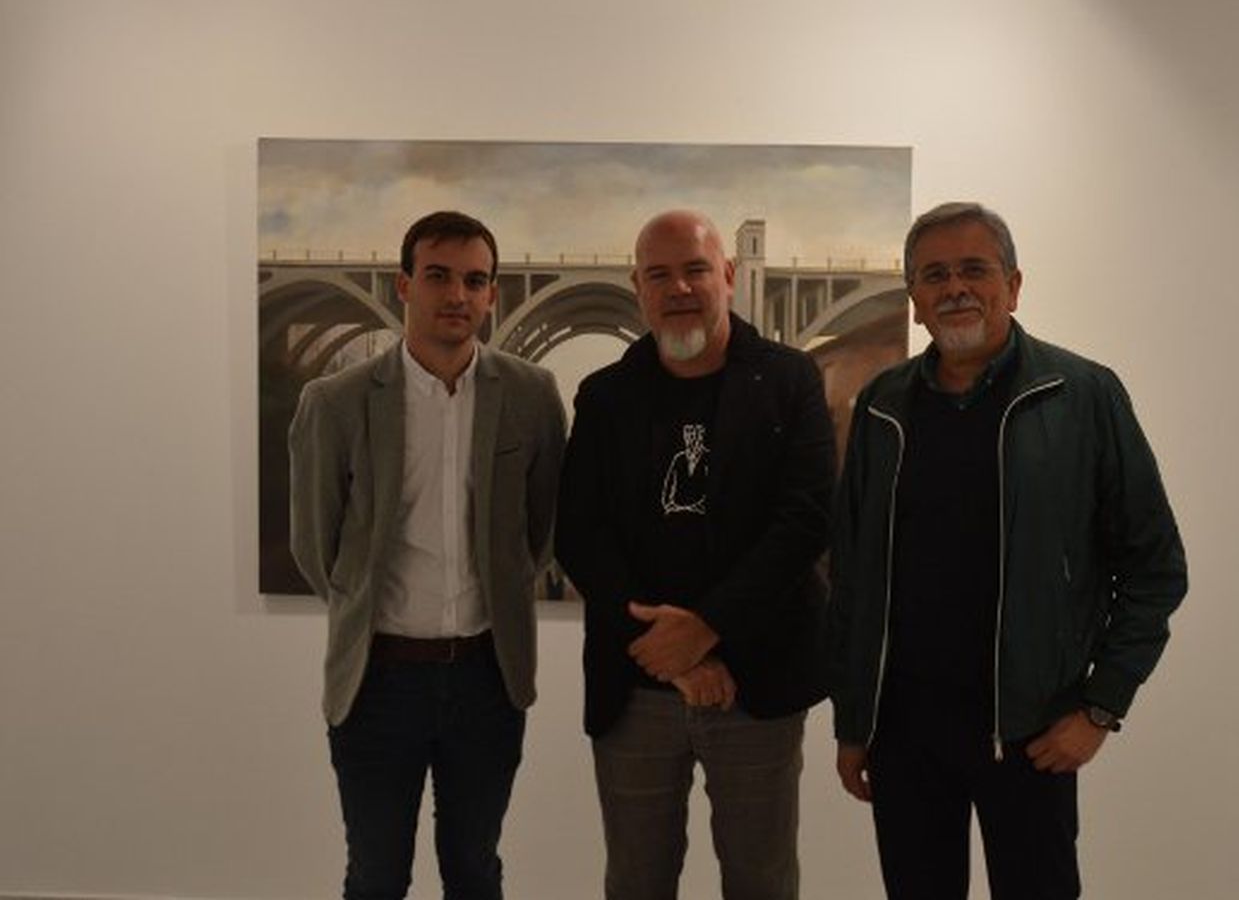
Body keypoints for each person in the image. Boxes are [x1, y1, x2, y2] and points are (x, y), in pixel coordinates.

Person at [827, 202, 1188, 899]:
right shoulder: (881, 406)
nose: (955, 288)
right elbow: (851, 575)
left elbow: (1156, 567)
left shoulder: (1082, 395)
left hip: (1032, 731)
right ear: (914, 300)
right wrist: (853, 720)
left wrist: (1101, 706)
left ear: (1013, 286)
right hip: (903, 732)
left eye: (975, 270)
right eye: (935, 275)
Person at [555, 209, 835, 900]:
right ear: (638, 287)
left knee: (762, 883)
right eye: (659, 274)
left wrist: (706, 628)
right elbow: (581, 535)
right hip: (637, 684)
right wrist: (671, 655)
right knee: (636, 883)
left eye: (695, 270)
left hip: (758, 683)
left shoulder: (791, 380)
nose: (678, 287)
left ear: (729, 276)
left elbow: (805, 522)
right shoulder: (604, 397)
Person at [289, 210, 566, 899]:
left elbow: (541, 531)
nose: (457, 295)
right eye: (438, 276)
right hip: (377, 681)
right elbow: (316, 546)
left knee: (475, 870)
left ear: (493, 293)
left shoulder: (531, 396)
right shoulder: (337, 401)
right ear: (404, 285)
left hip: (487, 679)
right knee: (376, 876)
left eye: (475, 280)